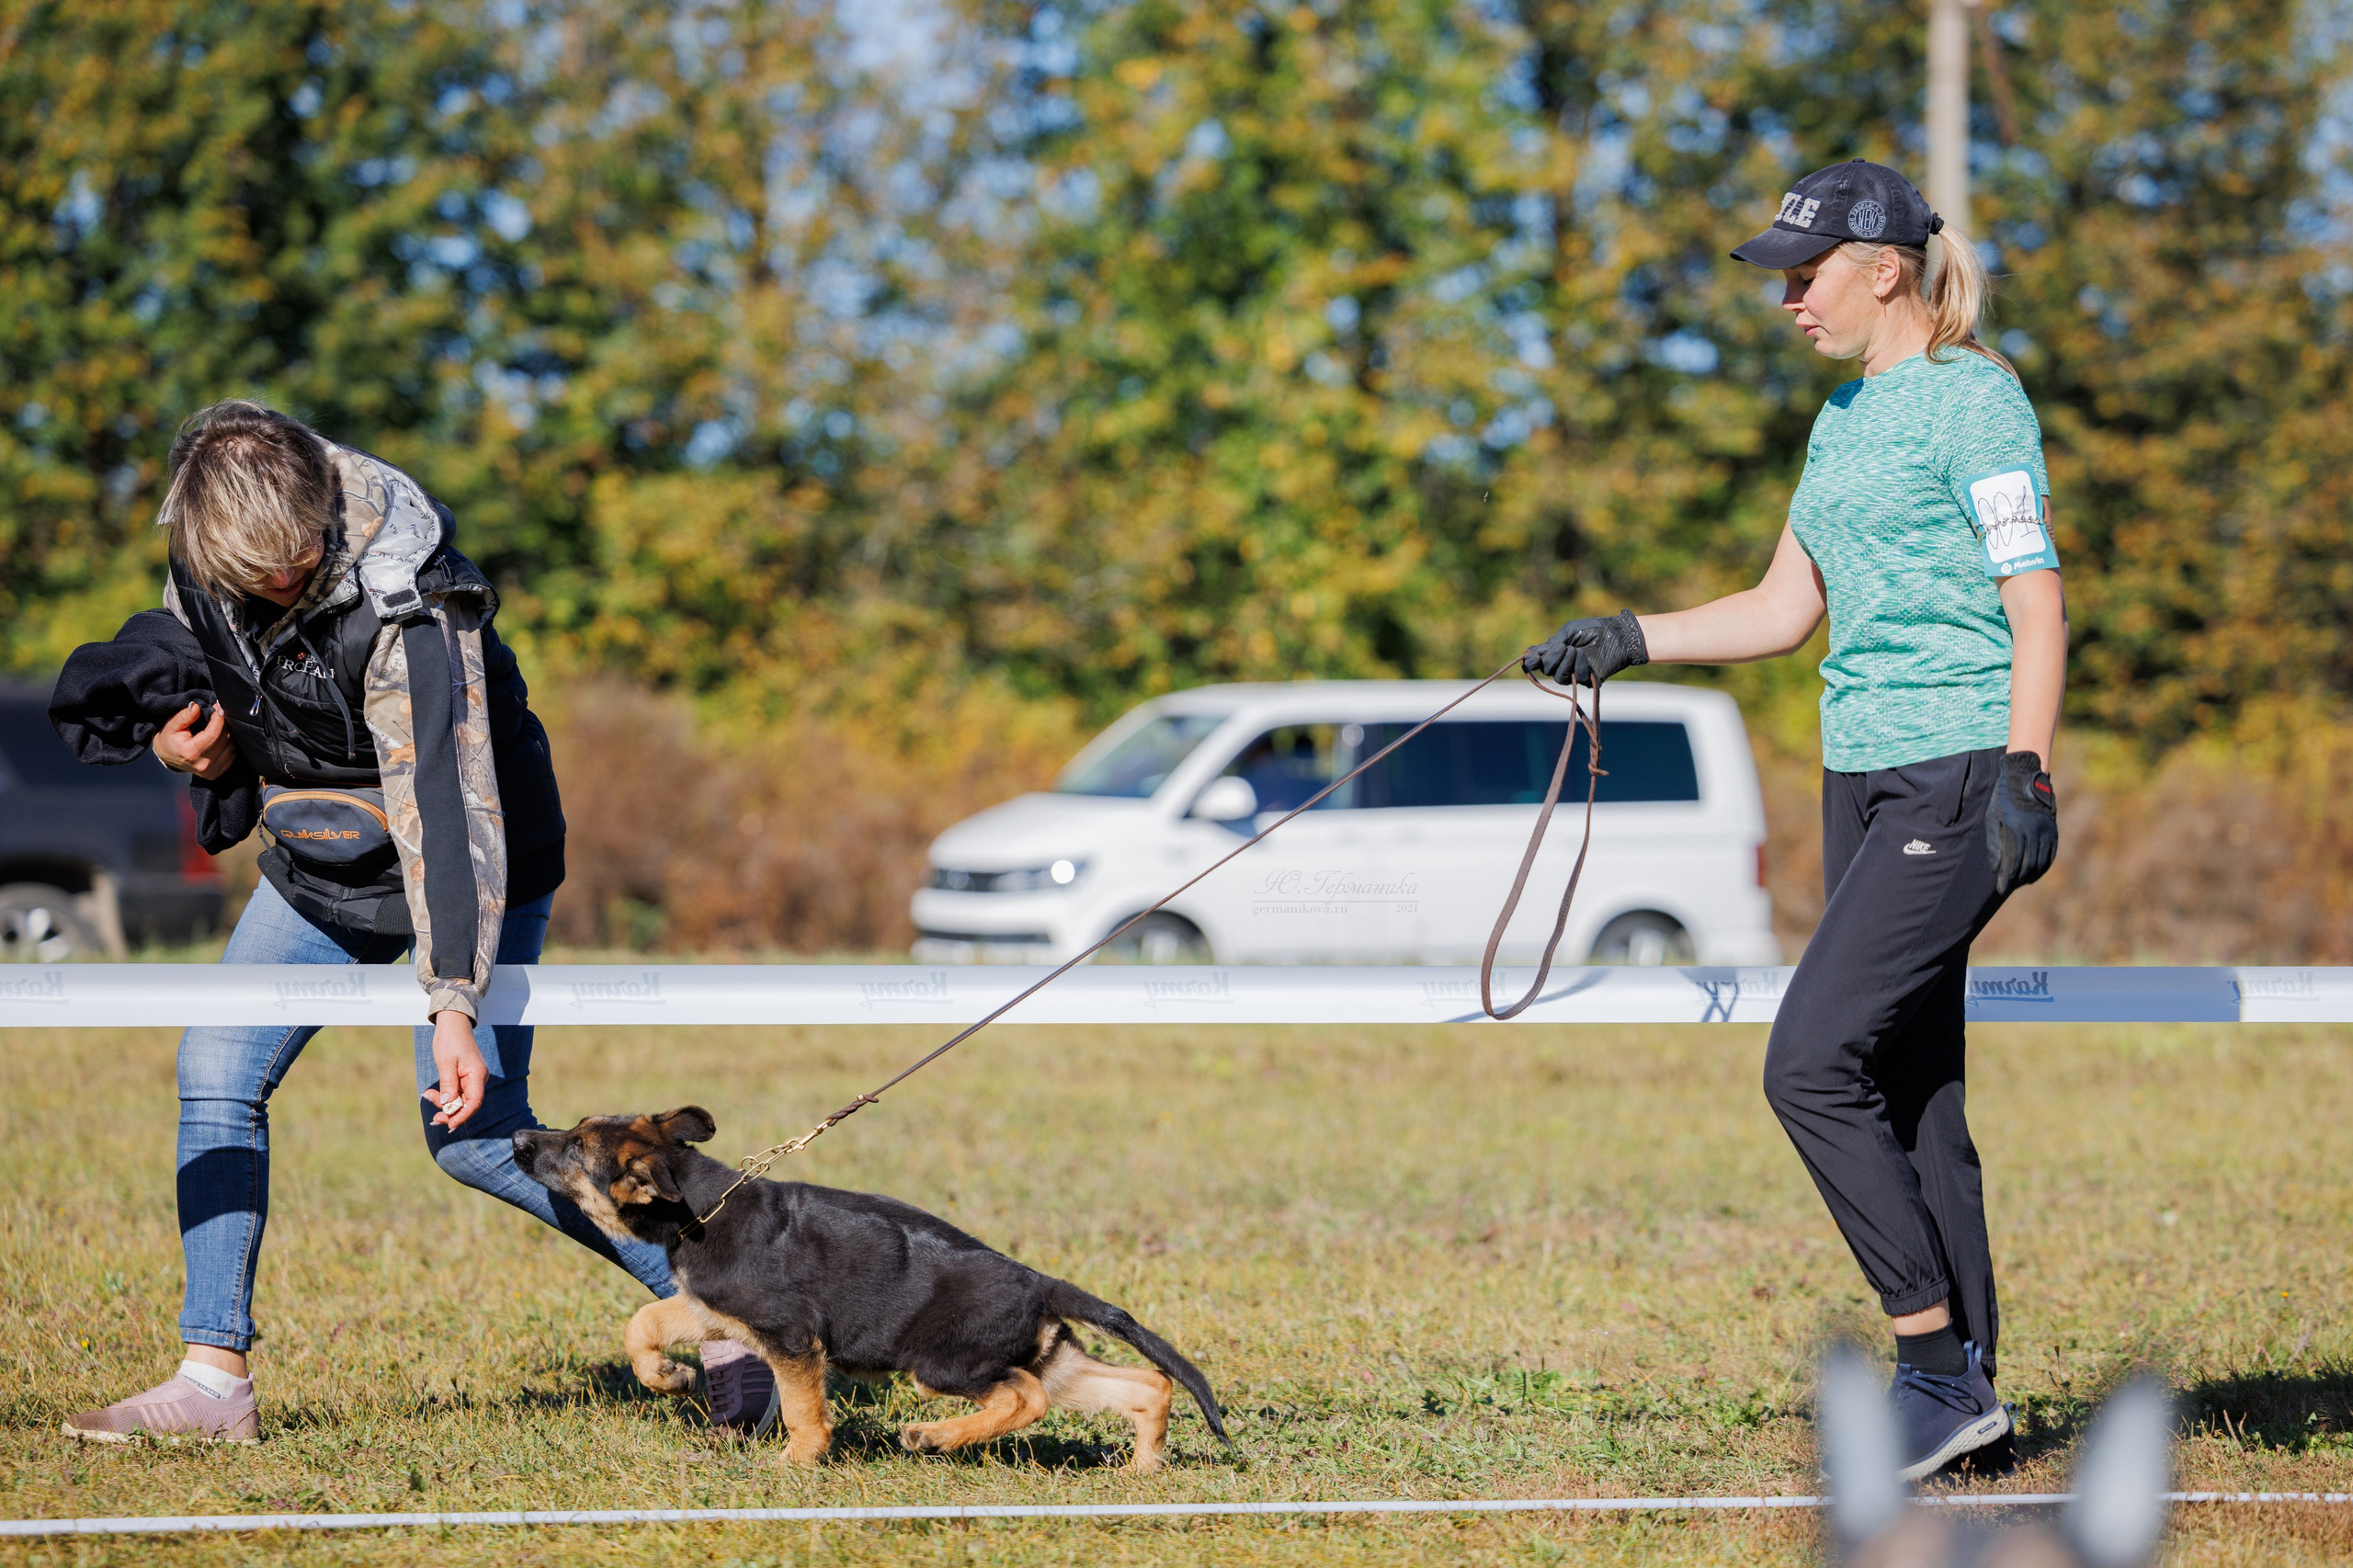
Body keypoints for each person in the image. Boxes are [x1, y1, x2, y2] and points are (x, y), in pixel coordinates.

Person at [61, 402, 776, 1443]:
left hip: (469, 859)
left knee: (476, 1135)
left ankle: (730, 1309)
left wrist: (451, 1001)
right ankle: (213, 1383)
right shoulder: (212, 554)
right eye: (252, 573)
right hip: (324, 865)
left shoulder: (416, 598)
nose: (279, 581)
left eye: (297, 561)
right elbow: (233, 694)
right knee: (214, 1069)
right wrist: (199, 752)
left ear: (319, 504)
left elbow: (444, 809)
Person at [1527, 160, 2063, 1480]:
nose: (1786, 299)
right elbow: (1782, 608)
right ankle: (1975, 1405)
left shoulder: (1977, 401)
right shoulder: (1840, 419)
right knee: (1906, 1086)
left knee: (1806, 1063)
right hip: (1858, 774)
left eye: (1803, 274)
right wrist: (1630, 635)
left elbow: (2036, 601)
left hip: (1954, 768)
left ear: (1884, 268)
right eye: (1779, 276)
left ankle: (1932, 1367)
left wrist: (2027, 768)